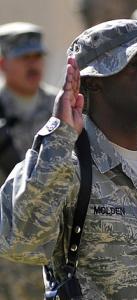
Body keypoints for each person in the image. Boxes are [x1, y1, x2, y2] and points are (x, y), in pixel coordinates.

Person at [0, 19, 137, 299]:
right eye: (135, 62)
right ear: (94, 83)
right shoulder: (66, 167)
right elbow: (18, 242)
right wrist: (59, 135)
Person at [0, 22, 57, 300]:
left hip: (55, 246)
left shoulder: (62, 108)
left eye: (37, 57)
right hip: (7, 255)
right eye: (24, 58)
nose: (33, 65)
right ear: (2, 63)